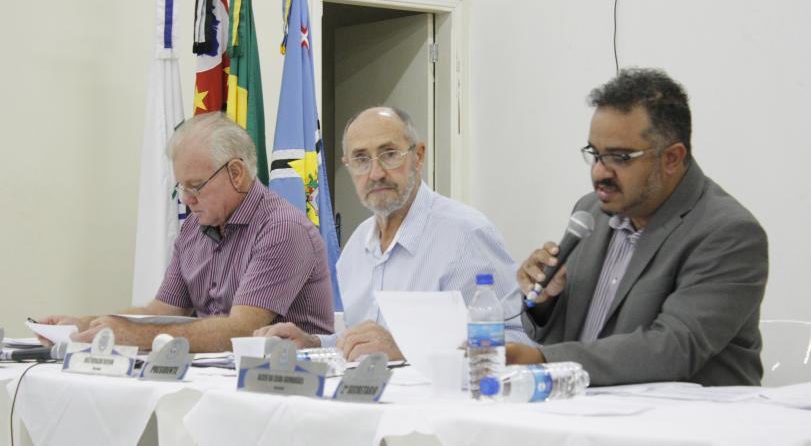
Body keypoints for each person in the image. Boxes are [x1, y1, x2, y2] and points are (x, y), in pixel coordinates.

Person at [508, 68, 768, 386]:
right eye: (595, 154)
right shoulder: (591, 212)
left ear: (672, 158)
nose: (600, 173)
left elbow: (673, 349)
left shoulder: (728, 233)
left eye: (620, 157)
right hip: (589, 406)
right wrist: (546, 301)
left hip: (689, 414)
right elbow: (570, 337)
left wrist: (546, 361)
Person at [39, 113, 333, 352]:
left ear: (236, 173)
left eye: (196, 186)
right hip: (216, 379)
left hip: (286, 383)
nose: (186, 199)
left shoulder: (281, 228)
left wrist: (134, 336)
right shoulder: (194, 228)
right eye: (182, 187)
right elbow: (163, 310)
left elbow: (243, 330)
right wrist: (87, 325)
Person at [255, 107, 528, 360]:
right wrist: (314, 344)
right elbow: (366, 341)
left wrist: (406, 350)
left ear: (418, 156)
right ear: (348, 165)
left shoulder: (466, 234)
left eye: (389, 154)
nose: (375, 173)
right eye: (361, 159)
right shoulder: (356, 247)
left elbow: (521, 341)